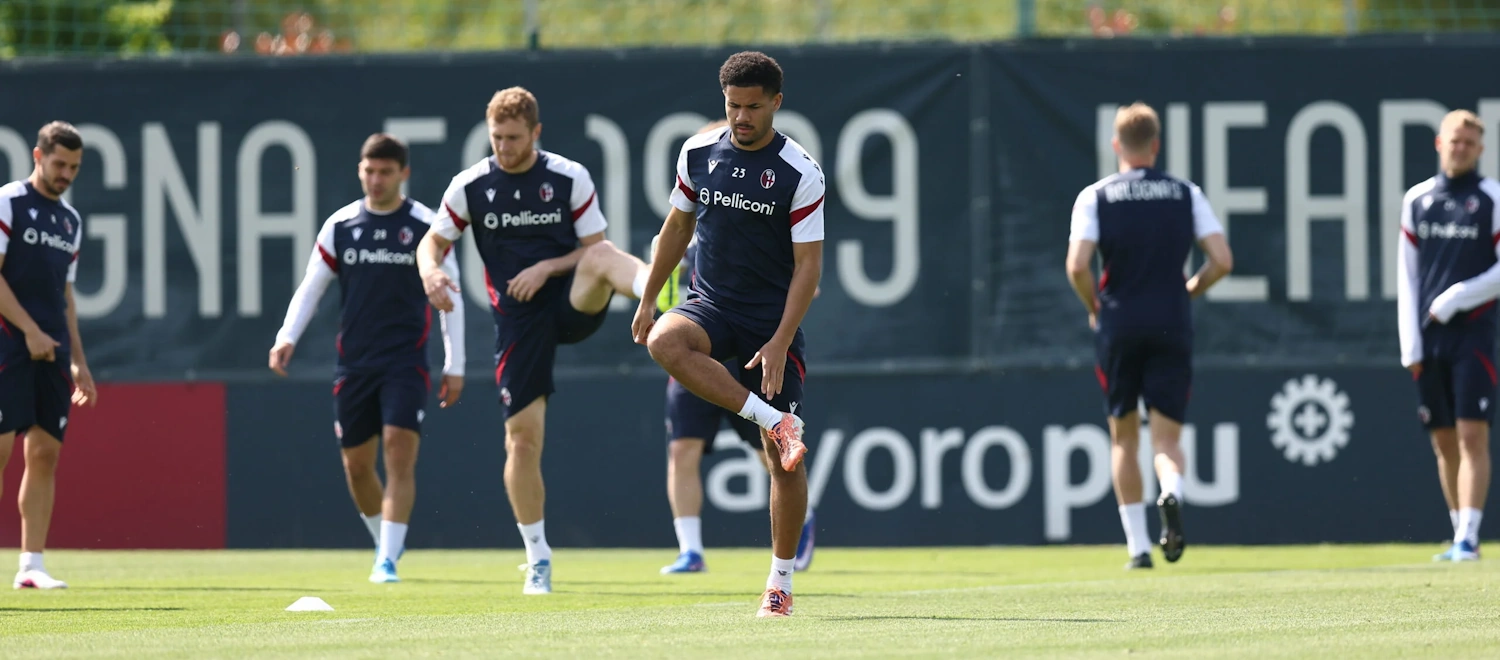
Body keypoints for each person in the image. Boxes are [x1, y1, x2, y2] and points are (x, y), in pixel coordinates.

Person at [417, 87, 649, 595]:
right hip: (518, 320)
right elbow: (431, 243)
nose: (503, 146)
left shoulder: (568, 176)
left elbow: (593, 248)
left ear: (536, 133)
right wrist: (431, 272)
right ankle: (538, 556)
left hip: (571, 303)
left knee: (603, 256)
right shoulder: (470, 185)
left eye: (514, 138)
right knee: (521, 440)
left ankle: (663, 292)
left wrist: (546, 266)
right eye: (496, 137)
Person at [633, 51, 823, 618]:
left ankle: (780, 584)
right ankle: (776, 420)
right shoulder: (697, 153)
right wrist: (647, 298)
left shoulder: (800, 171)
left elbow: (809, 269)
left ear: (776, 104)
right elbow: (677, 226)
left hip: (771, 320)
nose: (742, 117)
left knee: (780, 461)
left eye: (753, 107)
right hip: (711, 305)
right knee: (666, 340)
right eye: (733, 106)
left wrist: (782, 340)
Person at [270, 133, 466, 583]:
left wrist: (454, 364)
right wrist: (286, 336)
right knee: (357, 467)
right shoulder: (340, 226)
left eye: (385, 172)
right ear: (360, 170)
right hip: (354, 365)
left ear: (404, 174)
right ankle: (384, 543)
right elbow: (310, 287)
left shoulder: (427, 228)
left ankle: (388, 560)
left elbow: (450, 297)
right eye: (369, 171)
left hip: (406, 364)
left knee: (399, 453)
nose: (376, 180)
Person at [1064, 102, 1233, 571]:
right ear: (1156, 145)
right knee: (1166, 440)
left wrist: (1094, 307)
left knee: (1123, 437)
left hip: (1118, 322)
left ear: (1117, 145)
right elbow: (1221, 259)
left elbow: (1078, 266)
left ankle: (1138, 547)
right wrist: (1189, 291)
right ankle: (1172, 491)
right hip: (1171, 321)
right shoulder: (1185, 193)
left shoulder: (1096, 196)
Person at [657, 229, 818, 576]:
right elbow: (662, 299)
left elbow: (808, 279)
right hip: (700, 355)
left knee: (771, 455)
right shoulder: (688, 241)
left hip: (746, 355)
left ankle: (801, 518)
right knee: (682, 449)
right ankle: (691, 551)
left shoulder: (760, 238)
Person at [1397, 109, 1500, 563]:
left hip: (1473, 334)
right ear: (1440, 144)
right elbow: (1406, 276)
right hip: (1428, 340)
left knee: (1471, 434)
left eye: (1469, 143)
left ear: (1480, 149)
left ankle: (1469, 538)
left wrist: (1460, 295)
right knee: (1442, 440)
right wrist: (1409, 345)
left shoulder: (1492, 198)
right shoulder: (1417, 199)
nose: (1460, 149)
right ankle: (1459, 531)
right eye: (1454, 141)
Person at [0, 121, 98, 590]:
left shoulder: (70, 222)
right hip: (8, 341)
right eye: (59, 164)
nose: (66, 174)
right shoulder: (9, 202)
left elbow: (66, 297)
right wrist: (30, 332)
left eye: (74, 167)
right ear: (38, 157)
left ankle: (31, 565)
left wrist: (79, 360)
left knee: (44, 454)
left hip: (52, 348)